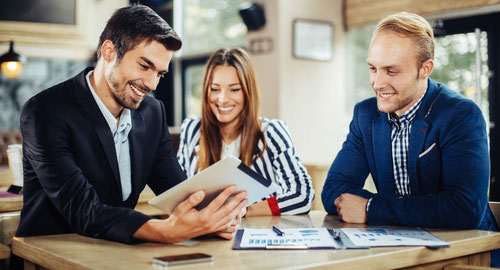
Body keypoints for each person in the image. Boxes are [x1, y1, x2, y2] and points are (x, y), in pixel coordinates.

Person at [16, 5, 247, 245]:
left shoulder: (153, 113)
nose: (152, 84)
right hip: (50, 253)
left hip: (116, 250)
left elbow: (177, 191)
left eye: (160, 73)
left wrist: (213, 219)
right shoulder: (44, 111)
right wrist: (166, 230)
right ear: (108, 52)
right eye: (144, 66)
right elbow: (83, 210)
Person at [321, 11, 499, 265]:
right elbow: (333, 190)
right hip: (398, 251)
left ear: (425, 69)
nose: (377, 82)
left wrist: (371, 208)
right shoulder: (366, 114)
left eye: (391, 71)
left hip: (465, 256)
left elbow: (464, 209)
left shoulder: (461, 115)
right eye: (373, 68)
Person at [177, 48, 314, 216]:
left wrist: (243, 211)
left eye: (234, 89)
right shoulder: (192, 130)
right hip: (204, 237)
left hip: (258, 235)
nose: (222, 99)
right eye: (215, 89)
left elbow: (302, 195)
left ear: (248, 92)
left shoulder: (271, 132)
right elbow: (178, 194)